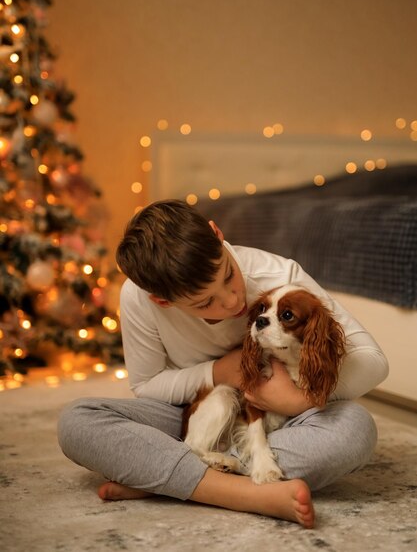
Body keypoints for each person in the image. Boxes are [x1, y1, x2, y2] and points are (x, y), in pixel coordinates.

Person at [57, 199, 389, 529]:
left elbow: (373, 362)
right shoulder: (137, 297)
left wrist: (298, 400)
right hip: (186, 410)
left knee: (356, 428)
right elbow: (147, 386)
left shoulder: (280, 274)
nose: (232, 301)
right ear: (162, 300)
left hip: (286, 418)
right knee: (78, 421)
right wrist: (217, 372)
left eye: (228, 275)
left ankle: (166, 475)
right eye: (205, 302)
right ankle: (247, 492)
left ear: (217, 234)